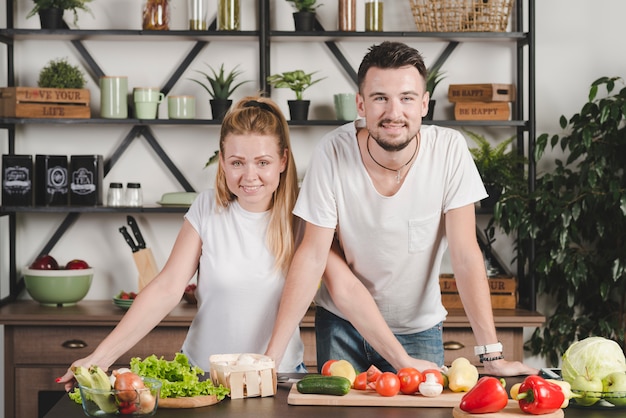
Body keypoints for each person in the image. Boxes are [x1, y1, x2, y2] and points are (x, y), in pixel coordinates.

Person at [265, 41, 538, 377]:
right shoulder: (332, 152)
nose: (394, 113)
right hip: (342, 326)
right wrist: (271, 359)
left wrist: (491, 356)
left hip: (418, 331)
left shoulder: (449, 151)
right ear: (361, 104)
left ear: (424, 104)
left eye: (407, 98)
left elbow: (466, 256)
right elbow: (311, 255)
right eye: (380, 98)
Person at [58, 96, 305, 391]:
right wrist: (101, 357)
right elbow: (167, 287)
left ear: (283, 160)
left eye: (262, 162)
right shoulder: (206, 207)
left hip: (279, 376)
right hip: (202, 376)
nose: (249, 176)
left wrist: (269, 364)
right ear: (222, 162)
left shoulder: (304, 215)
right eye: (237, 162)